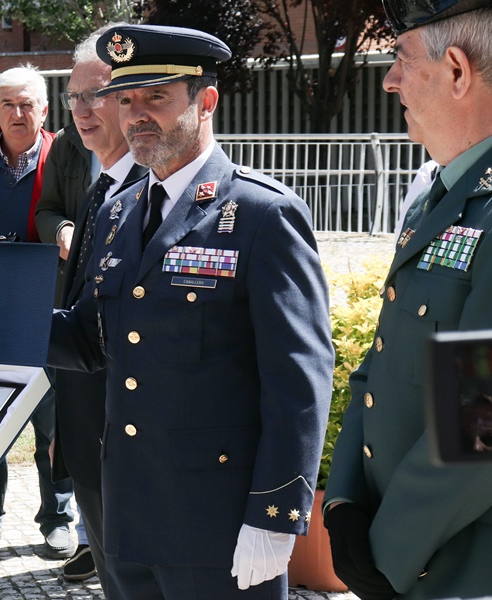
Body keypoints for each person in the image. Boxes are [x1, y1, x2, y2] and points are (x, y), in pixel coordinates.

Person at [43, 24, 334, 599]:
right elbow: (89, 340)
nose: (135, 115)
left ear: (206, 101)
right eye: (124, 99)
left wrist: (277, 512)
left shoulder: (260, 213)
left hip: (217, 520)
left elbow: (299, 378)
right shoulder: (117, 211)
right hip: (129, 511)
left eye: (156, 97)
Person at [323, 1, 492, 598]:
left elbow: (480, 420)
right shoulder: (440, 198)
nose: (389, 79)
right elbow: (382, 362)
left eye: (400, 57)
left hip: (463, 569)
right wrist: (342, 503)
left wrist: (385, 553)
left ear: (455, 70)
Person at [32, 23, 146, 585]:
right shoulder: (102, 186)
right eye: (74, 95)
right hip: (89, 434)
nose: (81, 108)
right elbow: (83, 324)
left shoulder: (153, 194)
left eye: (97, 93)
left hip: (134, 449)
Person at [0, 65, 77, 561]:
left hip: (49, 308)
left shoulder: (64, 158)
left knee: (53, 424)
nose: (18, 113)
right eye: (8, 103)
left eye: (28, 104)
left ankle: (58, 518)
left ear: (45, 110)